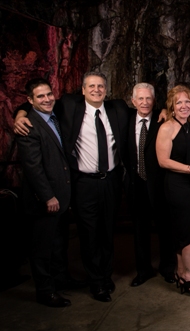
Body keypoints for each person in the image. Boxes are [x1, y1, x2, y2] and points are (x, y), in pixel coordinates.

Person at [15, 71, 129, 302]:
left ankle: (105, 276)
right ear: (83, 90)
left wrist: (166, 111)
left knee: (108, 232)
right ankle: (96, 282)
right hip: (83, 184)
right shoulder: (68, 105)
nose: (96, 90)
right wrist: (19, 114)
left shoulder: (118, 108)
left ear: (106, 90)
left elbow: (146, 111)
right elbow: (32, 103)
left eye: (100, 86)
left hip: (112, 181)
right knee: (89, 234)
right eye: (91, 86)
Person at [16, 78, 72, 307]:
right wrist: (48, 196)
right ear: (30, 100)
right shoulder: (29, 125)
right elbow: (33, 168)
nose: (47, 99)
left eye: (49, 94)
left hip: (62, 194)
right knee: (42, 247)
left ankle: (61, 280)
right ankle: (45, 291)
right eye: (40, 96)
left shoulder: (54, 115)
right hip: (46, 199)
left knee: (59, 242)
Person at [156, 85, 190, 296]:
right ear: (172, 106)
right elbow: (162, 161)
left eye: (187, 101)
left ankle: (180, 273)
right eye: (179, 102)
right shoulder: (167, 127)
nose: (184, 106)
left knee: (184, 232)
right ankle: (189, 277)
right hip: (177, 186)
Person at [125, 83, 176, 287]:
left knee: (166, 229)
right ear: (133, 101)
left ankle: (168, 268)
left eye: (149, 99)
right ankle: (143, 270)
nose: (145, 102)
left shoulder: (163, 121)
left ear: (154, 101)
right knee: (139, 231)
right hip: (136, 183)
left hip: (160, 185)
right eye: (141, 99)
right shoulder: (125, 118)